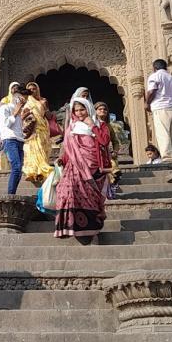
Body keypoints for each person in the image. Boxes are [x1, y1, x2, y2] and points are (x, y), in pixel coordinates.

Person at [54, 96, 108, 241]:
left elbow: (104, 141)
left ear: (88, 109)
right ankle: (70, 226)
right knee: (66, 191)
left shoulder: (99, 123)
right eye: (76, 110)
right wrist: (62, 159)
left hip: (93, 166)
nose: (79, 113)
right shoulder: (72, 127)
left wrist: (92, 126)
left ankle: (92, 227)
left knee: (90, 197)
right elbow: (69, 149)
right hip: (74, 166)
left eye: (82, 109)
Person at [145, 58, 172, 166]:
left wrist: (147, 103)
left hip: (161, 107)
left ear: (154, 68)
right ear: (166, 67)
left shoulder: (155, 76)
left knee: (163, 133)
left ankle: (167, 159)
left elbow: (152, 90)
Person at [21, 83, 54, 185]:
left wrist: (45, 107)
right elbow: (21, 117)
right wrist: (27, 112)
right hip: (33, 130)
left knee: (42, 151)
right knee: (33, 150)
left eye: (34, 89)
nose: (32, 91)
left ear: (37, 89)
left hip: (43, 129)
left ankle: (41, 173)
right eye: (30, 89)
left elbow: (49, 116)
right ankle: (33, 173)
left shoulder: (43, 101)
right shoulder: (26, 102)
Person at [88, 101, 121, 199]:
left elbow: (115, 141)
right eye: (100, 109)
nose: (103, 111)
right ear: (95, 111)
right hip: (93, 154)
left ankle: (106, 194)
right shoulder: (90, 124)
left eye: (105, 109)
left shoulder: (108, 126)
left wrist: (115, 151)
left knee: (110, 174)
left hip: (105, 154)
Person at [0, 82, 26, 195]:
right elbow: (6, 124)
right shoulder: (4, 108)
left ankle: (12, 193)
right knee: (16, 167)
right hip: (10, 140)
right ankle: (10, 194)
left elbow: (20, 128)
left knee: (19, 170)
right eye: (19, 99)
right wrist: (16, 112)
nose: (21, 101)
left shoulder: (20, 112)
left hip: (19, 140)